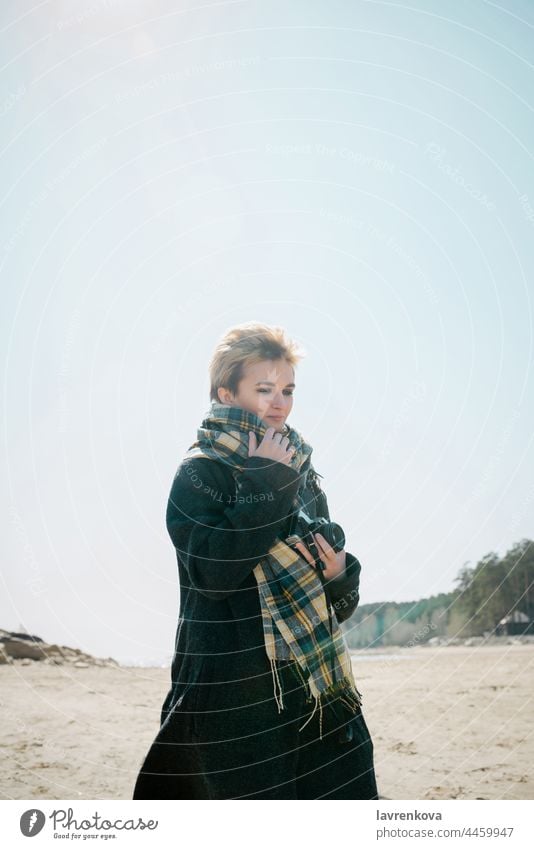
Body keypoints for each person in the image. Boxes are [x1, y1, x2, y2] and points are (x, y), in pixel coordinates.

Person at [132, 322, 379, 799]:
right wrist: (267, 480)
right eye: (264, 389)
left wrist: (340, 574)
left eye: (287, 389)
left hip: (314, 689)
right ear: (227, 391)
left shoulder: (301, 471)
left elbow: (336, 606)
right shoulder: (201, 471)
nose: (279, 402)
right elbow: (212, 574)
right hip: (234, 695)